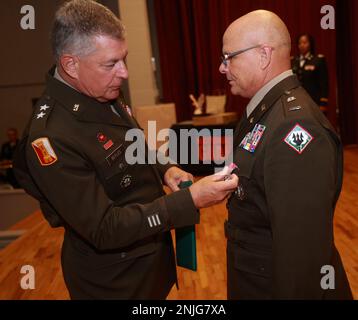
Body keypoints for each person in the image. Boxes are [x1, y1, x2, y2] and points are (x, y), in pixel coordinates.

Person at [14, 0, 238, 299]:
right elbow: (104, 228)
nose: (124, 73)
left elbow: (132, 145)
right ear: (70, 64)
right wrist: (190, 200)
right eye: (111, 63)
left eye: (124, 59)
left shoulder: (101, 90)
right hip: (115, 282)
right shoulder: (50, 138)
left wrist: (164, 168)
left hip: (149, 263)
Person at [219, 10, 352, 299]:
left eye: (229, 57)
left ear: (264, 55)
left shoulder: (294, 126)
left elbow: (301, 253)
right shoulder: (268, 111)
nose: (222, 67)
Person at [291, 34, 329, 115]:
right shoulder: (293, 61)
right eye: (300, 43)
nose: (302, 45)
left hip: (314, 101)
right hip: (297, 102)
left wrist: (323, 102)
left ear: (310, 44)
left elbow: (324, 82)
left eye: (305, 42)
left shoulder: (318, 60)